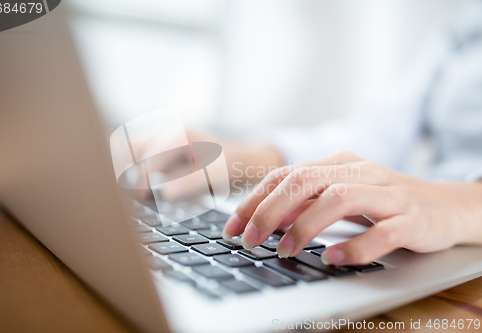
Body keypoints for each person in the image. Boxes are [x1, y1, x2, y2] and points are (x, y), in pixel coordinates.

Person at [145, 0, 482, 267]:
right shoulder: (468, 15)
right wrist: (246, 160)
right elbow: (386, 130)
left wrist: (467, 204)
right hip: (430, 248)